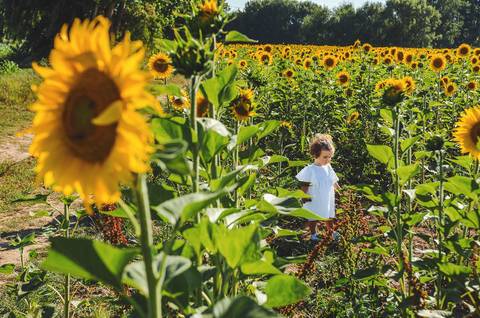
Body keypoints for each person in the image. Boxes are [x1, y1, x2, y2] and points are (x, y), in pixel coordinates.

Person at [296, 133, 340, 242]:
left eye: (330, 157)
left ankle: (331, 232)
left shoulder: (328, 167)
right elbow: (304, 184)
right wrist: (304, 196)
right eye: (325, 157)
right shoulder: (310, 169)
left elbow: (334, 180)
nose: (328, 159)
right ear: (316, 155)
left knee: (329, 215)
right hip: (314, 197)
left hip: (327, 196)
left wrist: (340, 190)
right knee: (313, 216)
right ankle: (313, 234)